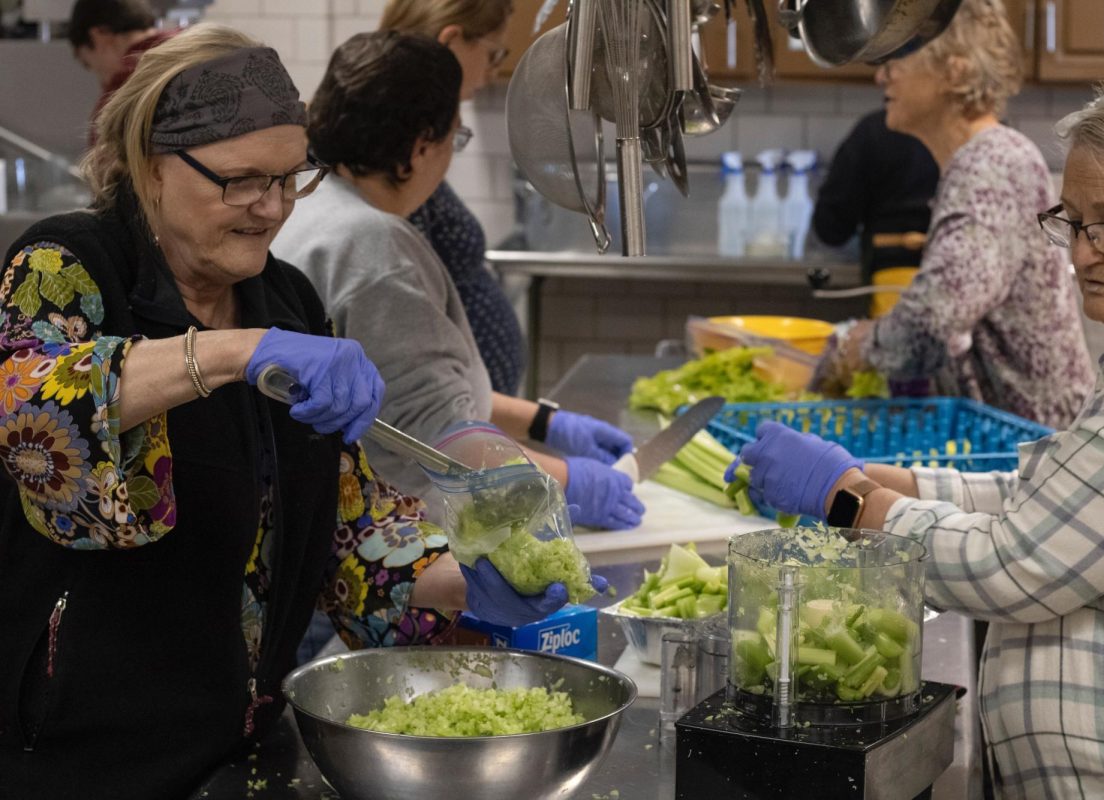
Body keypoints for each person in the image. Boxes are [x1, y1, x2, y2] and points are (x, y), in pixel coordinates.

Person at [0, 25, 596, 800]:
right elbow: (32, 412)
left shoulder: (287, 300)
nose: (271, 207)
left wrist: (465, 580)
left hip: (234, 749)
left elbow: (347, 533)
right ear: (153, 162)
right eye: (241, 181)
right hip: (78, 762)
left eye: (290, 179)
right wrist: (233, 354)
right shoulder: (68, 265)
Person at [735, 54, 1104, 799]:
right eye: (1073, 223)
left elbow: (1018, 564)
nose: (1083, 255)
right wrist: (902, 483)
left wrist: (849, 499)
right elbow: (1049, 499)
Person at [273, 31, 644, 533]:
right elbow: (441, 437)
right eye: (455, 137)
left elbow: (402, 391)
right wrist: (569, 481)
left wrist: (544, 423)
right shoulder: (371, 247)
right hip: (401, 539)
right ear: (422, 146)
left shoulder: (313, 203)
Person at [825, 0, 1093, 429]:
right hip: (1010, 435)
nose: (881, 75)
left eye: (896, 58)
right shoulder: (985, 159)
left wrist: (856, 348)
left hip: (1031, 442)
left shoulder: (991, 166)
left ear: (954, 70)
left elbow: (934, 320)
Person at [377, 0, 527, 396]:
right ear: (452, 40)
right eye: (493, 53)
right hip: (442, 414)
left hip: (466, 408)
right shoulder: (397, 148)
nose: (492, 71)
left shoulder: (413, 137)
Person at [812, 108, 939, 281]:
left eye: (890, 78)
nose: (881, 79)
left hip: (890, 274)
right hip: (963, 281)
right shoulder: (973, 131)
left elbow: (831, 227)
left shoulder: (876, 129)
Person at [67, 0, 176, 145]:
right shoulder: (199, 48)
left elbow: (104, 164)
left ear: (98, 35)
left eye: (88, 64)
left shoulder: (122, 95)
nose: (103, 82)